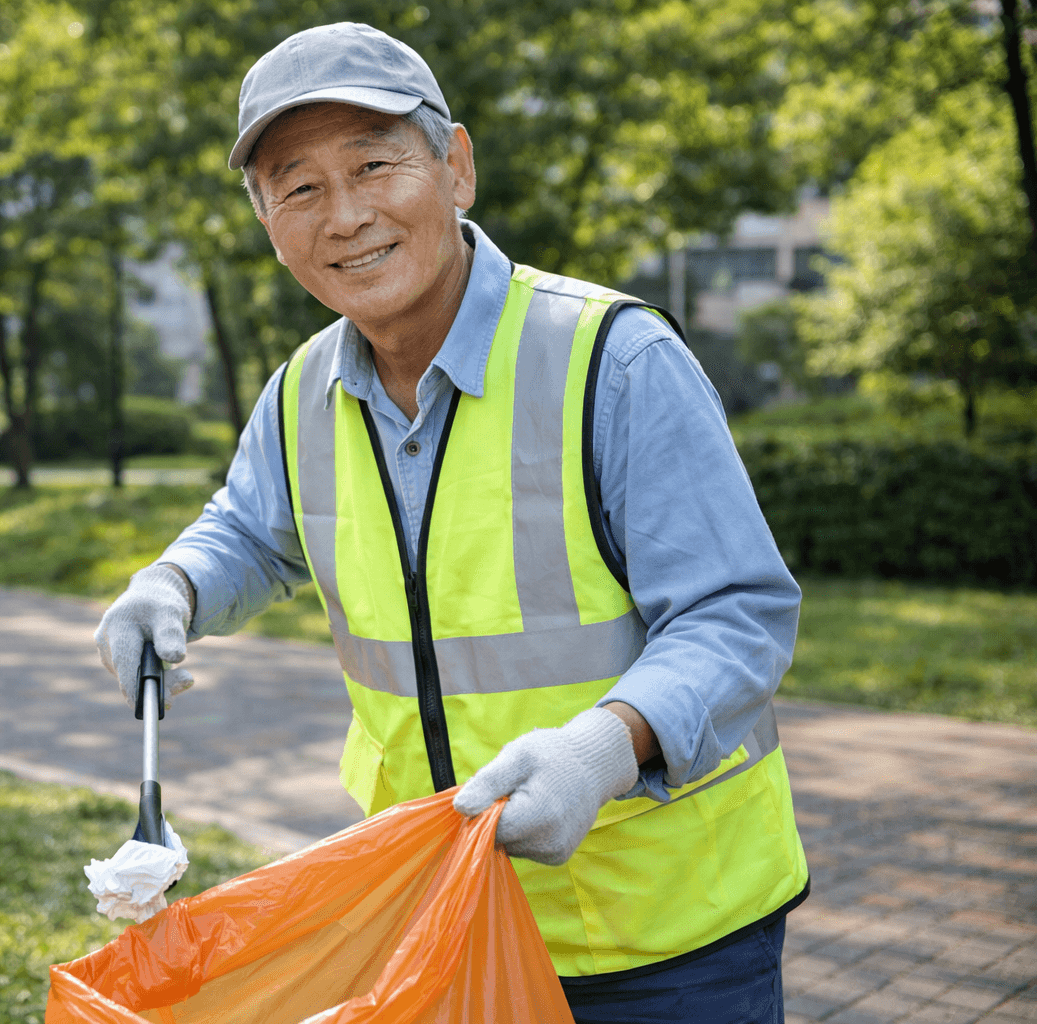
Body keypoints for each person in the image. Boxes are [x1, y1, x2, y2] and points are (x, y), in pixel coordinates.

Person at [94, 22, 808, 1023]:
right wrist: (173, 583)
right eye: (299, 187)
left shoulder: (614, 359)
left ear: (456, 167)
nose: (344, 215)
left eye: (374, 165)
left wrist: (604, 750)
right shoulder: (303, 391)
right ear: (268, 222)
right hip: (447, 921)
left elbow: (739, 615)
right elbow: (253, 530)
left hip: (670, 939)